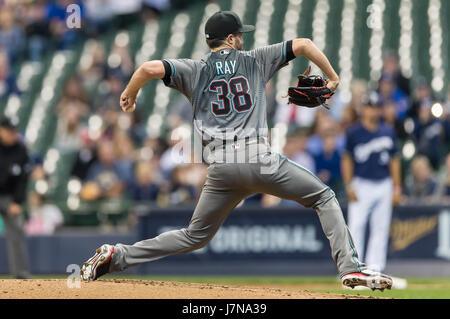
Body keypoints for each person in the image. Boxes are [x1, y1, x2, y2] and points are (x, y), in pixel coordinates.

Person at [81, 11, 393, 290]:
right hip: (258, 158)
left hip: (221, 167)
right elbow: (304, 44)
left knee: (194, 235)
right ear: (230, 38)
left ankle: (117, 256)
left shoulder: (194, 68)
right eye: (239, 34)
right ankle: (350, 269)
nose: (242, 38)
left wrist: (129, 94)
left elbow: (149, 67)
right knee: (324, 196)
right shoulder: (256, 59)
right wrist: (334, 76)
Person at [341, 94, 402, 284]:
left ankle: (375, 270)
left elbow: (395, 160)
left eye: (376, 107)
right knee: (356, 226)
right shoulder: (353, 132)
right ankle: (354, 270)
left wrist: (397, 186)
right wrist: (349, 184)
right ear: (364, 109)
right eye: (370, 106)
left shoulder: (387, 131)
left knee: (380, 228)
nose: (373, 110)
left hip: (383, 183)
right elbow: (347, 159)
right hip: (361, 183)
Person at [0, 117, 32, 279]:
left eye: (14, 131)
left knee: (17, 230)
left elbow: (23, 180)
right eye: (9, 131)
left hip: (9, 197)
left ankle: (21, 274)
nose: (13, 134)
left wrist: (17, 202)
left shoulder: (20, 149)